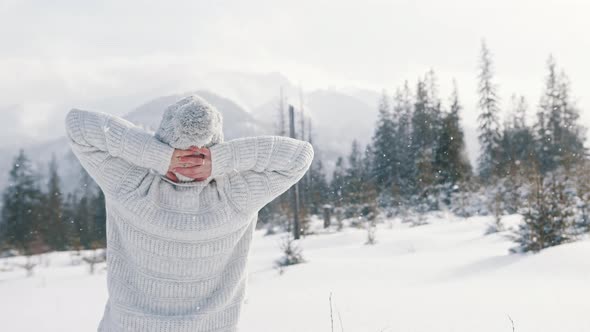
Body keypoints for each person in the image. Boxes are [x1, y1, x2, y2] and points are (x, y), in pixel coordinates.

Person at [64, 94, 314, 332]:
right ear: (215, 144)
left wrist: (161, 157)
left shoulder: (132, 185)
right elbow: (300, 155)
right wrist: (219, 160)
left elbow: (78, 125)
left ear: (164, 138)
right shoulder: (236, 195)